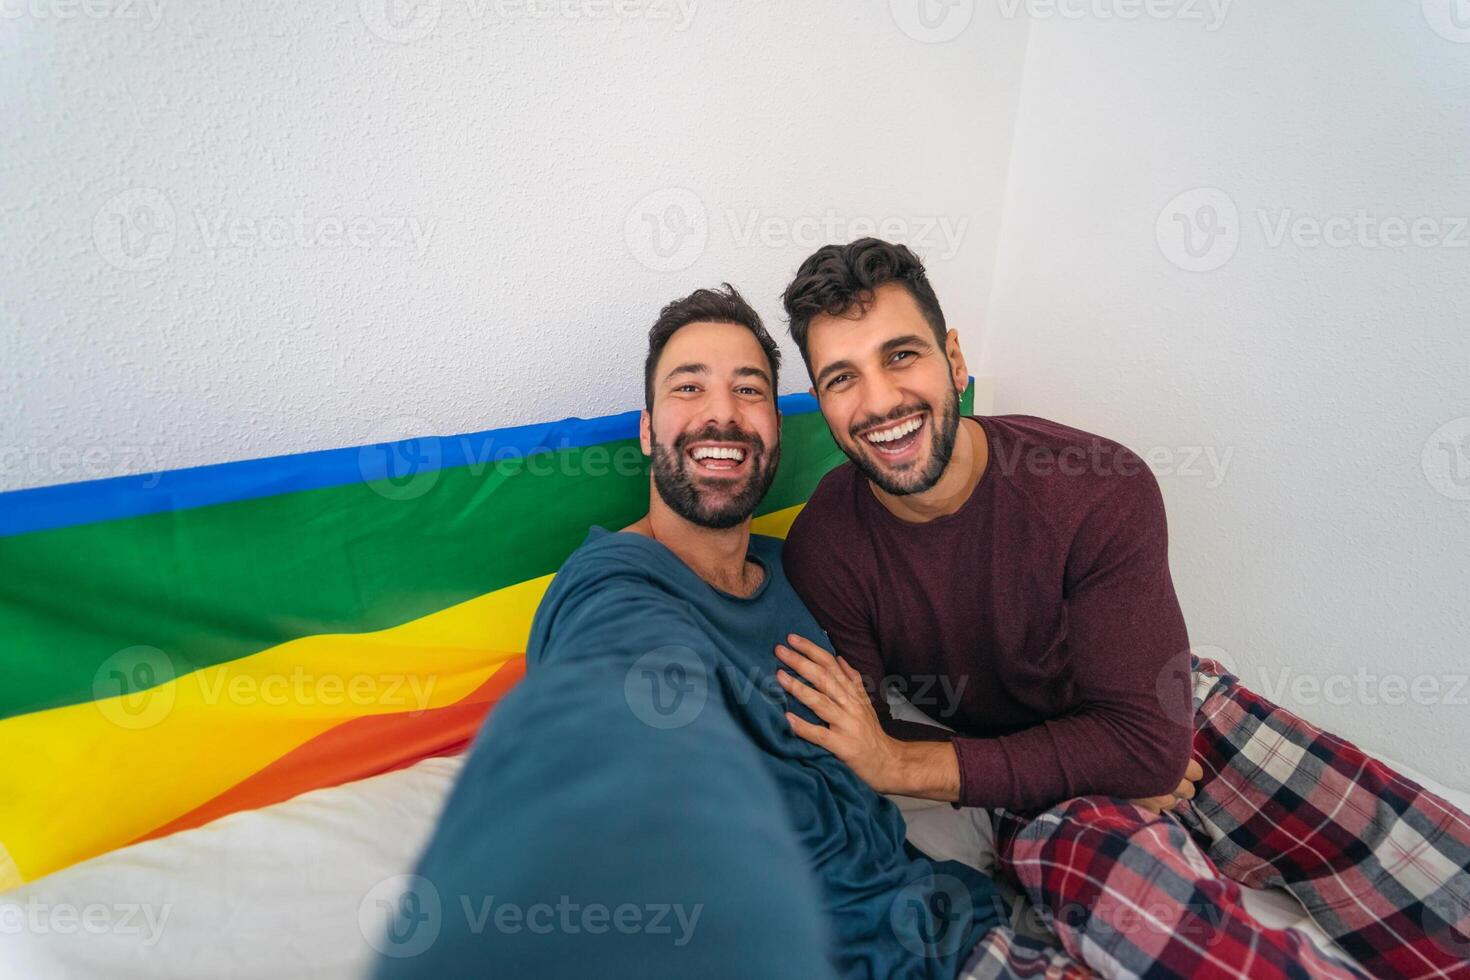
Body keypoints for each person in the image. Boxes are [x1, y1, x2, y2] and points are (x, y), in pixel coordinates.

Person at [778, 238, 1470, 979]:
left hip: (1160, 704)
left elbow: (1147, 744)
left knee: (1424, 865)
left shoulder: (1093, 485)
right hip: (1025, 790)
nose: (879, 401)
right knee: (1196, 948)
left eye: (901, 356)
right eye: (843, 377)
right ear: (821, 403)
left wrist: (1137, 751)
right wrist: (1106, 769)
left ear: (953, 358)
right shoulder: (824, 547)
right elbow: (869, 742)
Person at [376, 284, 1088, 979]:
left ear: (777, 428)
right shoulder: (613, 588)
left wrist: (1088, 761)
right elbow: (609, 729)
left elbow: (927, 701)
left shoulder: (798, 570)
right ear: (648, 428)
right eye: (689, 388)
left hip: (960, 919)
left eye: (750, 390)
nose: (723, 415)